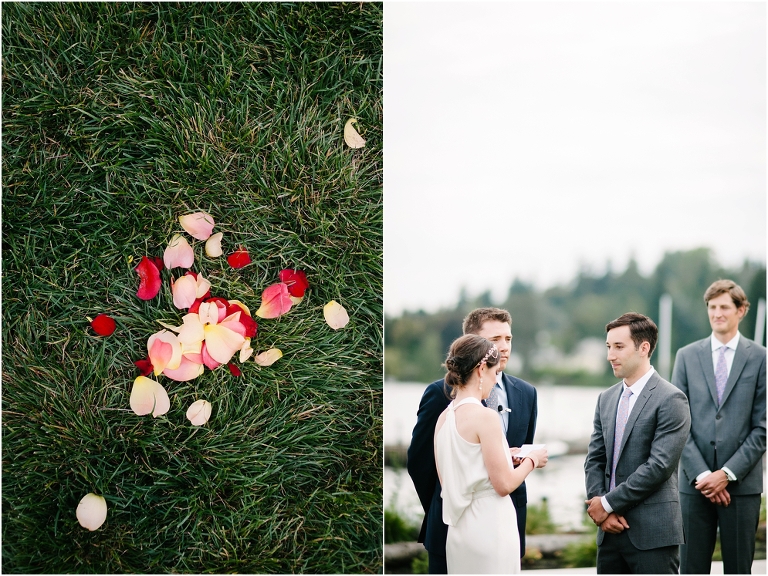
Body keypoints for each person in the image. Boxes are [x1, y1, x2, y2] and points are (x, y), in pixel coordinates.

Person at [406, 307, 540, 573]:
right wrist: (444, 507)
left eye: (508, 339)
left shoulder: (527, 393)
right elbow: (420, 463)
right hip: (450, 527)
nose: (503, 347)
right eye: (494, 340)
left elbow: (513, 456)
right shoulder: (440, 394)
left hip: (505, 526)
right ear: (473, 344)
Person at [671, 279, 766, 574]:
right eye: (712, 307)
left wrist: (726, 475)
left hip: (741, 486)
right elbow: (676, 424)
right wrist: (704, 476)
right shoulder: (686, 356)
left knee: (739, 570)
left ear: (741, 310)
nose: (717, 313)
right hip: (693, 485)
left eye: (724, 307)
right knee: (690, 569)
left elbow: (762, 428)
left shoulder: (762, 358)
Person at [584, 312, 691, 574]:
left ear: (644, 348)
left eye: (619, 347)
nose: (610, 355)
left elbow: (659, 466)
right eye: (608, 346)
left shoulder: (671, 399)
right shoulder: (606, 398)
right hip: (609, 534)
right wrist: (599, 506)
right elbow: (594, 459)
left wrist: (608, 504)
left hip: (652, 534)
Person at [434, 334, 547, 573]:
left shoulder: (444, 418)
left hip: (459, 532)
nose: (496, 381)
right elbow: (504, 485)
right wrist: (531, 461)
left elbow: (452, 478)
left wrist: (505, 454)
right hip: (490, 527)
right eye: (496, 374)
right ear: (481, 369)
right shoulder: (486, 417)